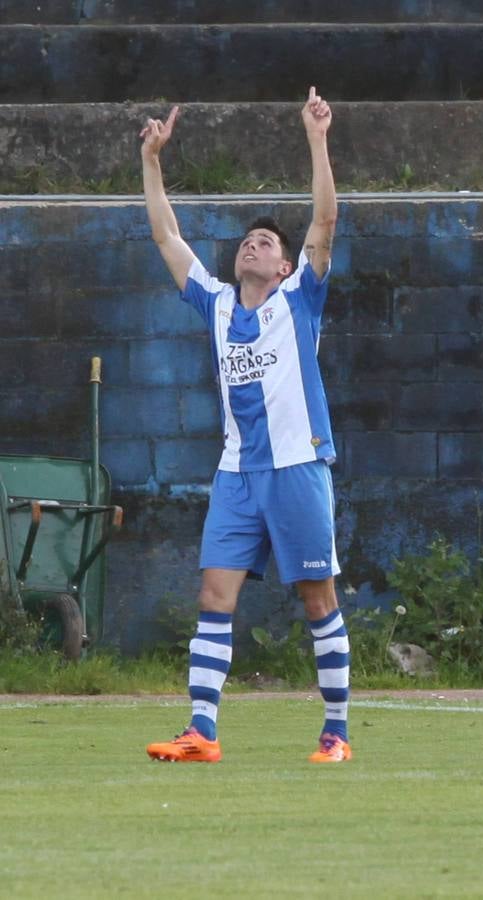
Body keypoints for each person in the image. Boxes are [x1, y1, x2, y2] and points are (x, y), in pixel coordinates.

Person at [140, 87, 351, 764]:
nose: (252, 244)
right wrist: (151, 161)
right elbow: (168, 237)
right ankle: (201, 730)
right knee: (213, 591)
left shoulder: (300, 296)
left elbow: (323, 220)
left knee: (316, 597)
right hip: (237, 470)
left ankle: (336, 734)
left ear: (284, 266)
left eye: (266, 242)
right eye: (247, 239)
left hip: (297, 464)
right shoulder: (216, 303)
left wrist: (317, 139)